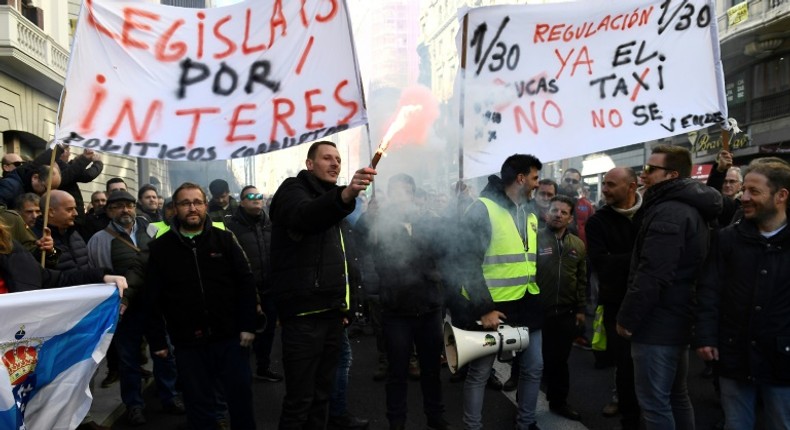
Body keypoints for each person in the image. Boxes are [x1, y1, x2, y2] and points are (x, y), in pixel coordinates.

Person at [270, 141, 375, 429]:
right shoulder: (293, 190)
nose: (335, 164)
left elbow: (344, 261)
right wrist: (346, 194)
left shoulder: (333, 206)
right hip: (304, 318)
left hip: (330, 314)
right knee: (300, 401)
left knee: (321, 398)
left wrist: (347, 306)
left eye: (338, 159)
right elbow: (306, 216)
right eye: (327, 158)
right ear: (309, 164)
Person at [616, 145, 722, 430]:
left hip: (658, 324)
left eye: (651, 169)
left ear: (672, 175)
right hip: (675, 318)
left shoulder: (669, 212)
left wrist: (628, 318)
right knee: (676, 396)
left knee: (655, 402)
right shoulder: (681, 207)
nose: (644, 174)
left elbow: (654, 273)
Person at [146, 182, 257, 430]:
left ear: (205, 206)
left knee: (240, 402)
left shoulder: (225, 240)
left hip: (230, 338)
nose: (192, 208)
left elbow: (246, 283)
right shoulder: (160, 249)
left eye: (197, 202)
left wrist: (248, 325)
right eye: (185, 203)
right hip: (188, 344)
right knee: (199, 406)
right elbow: (152, 297)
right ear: (175, 208)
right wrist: (158, 341)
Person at [451, 154, 544, 430]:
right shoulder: (482, 209)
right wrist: (484, 308)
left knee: (534, 367)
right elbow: (466, 263)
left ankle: (526, 423)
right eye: (535, 178)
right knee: (479, 373)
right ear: (520, 178)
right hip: (493, 307)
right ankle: (473, 427)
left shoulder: (528, 210)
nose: (537, 184)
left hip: (526, 302)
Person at [696, 159, 790, 430]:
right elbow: (710, 289)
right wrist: (705, 335)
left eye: (754, 191)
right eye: (744, 190)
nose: (744, 197)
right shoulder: (728, 239)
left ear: (781, 195)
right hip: (734, 354)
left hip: (782, 360)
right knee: (736, 424)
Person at [86, 190, 183, 426]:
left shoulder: (151, 229)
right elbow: (102, 275)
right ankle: (134, 405)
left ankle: (168, 397)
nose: (125, 210)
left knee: (165, 352)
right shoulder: (100, 239)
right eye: (118, 206)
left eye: (129, 206)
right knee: (128, 360)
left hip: (156, 305)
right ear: (109, 211)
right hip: (125, 309)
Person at [363, 174, 449, 430]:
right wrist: (371, 220)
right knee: (397, 372)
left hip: (429, 308)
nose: (401, 197)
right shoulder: (380, 224)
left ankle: (435, 417)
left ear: (413, 194)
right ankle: (396, 422)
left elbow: (445, 250)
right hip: (396, 311)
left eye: (405, 191)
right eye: (395, 191)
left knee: (432, 370)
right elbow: (366, 250)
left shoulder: (428, 222)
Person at [585, 167, 642, 430]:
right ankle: (628, 415)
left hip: (651, 302)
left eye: (611, 184)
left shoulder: (651, 213)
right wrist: (642, 258)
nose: (605, 189)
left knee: (651, 365)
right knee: (624, 363)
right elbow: (600, 263)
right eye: (604, 184)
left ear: (632, 186)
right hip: (616, 303)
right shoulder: (599, 221)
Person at [223, 185, 283, 383]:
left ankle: (263, 367)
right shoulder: (231, 227)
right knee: (244, 332)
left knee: (268, 332)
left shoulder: (271, 223)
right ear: (242, 202)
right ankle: (239, 372)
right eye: (251, 196)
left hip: (270, 288)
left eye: (259, 195)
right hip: (244, 291)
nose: (256, 199)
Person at [537, 195, 586, 422]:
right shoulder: (534, 239)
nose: (558, 215)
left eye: (563, 212)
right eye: (554, 210)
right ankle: (525, 407)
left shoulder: (577, 245)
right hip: (539, 312)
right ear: (547, 213)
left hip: (565, 313)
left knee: (560, 362)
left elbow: (582, 279)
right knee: (535, 362)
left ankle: (559, 402)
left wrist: (580, 309)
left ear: (570, 218)